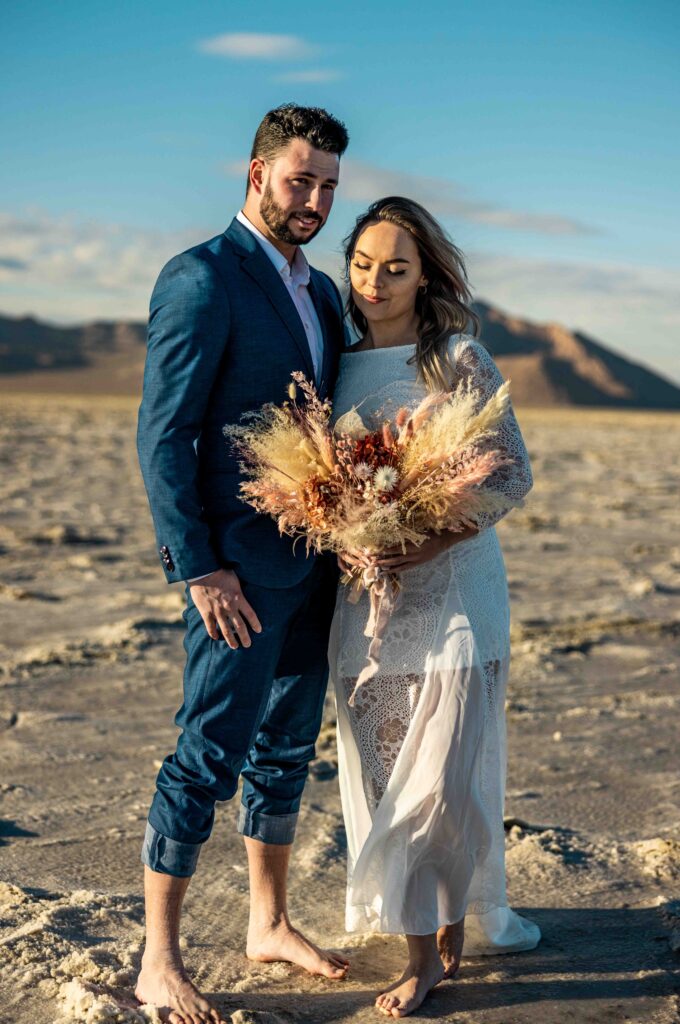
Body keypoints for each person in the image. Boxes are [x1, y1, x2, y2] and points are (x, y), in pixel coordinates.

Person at [135, 104, 350, 1024]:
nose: (315, 200)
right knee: (206, 756)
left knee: (287, 750)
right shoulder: (201, 278)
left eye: (329, 187)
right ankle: (158, 960)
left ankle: (267, 922)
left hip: (316, 564)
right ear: (255, 173)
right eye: (300, 179)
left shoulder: (325, 293)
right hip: (235, 573)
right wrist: (199, 567)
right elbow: (165, 434)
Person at [329, 197, 541, 1018]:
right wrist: (343, 533)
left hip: (456, 595)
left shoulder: (455, 358)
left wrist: (422, 542)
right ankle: (432, 935)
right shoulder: (330, 363)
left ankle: (427, 956)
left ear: (425, 276)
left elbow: (509, 473)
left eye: (395, 267)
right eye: (362, 265)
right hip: (367, 611)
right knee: (392, 785)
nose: (374, 282)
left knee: (439, 788)